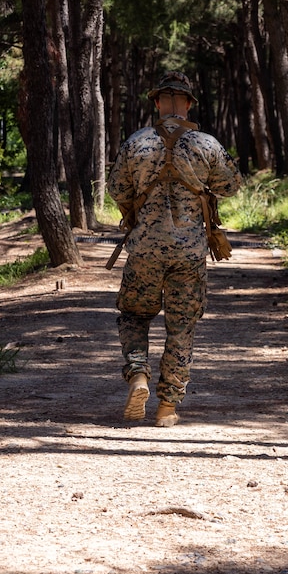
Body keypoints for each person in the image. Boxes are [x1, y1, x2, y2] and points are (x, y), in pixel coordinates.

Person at [107, 70, 242, 427]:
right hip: (189, 253)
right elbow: (231, 186)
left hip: (145, 251)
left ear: (156, 103)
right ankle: (168, 407)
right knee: (181, 327)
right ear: (187, 103)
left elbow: (116, 190)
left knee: (134, 316)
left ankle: (138, 374)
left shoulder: (135, 142)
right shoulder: (206, 144)